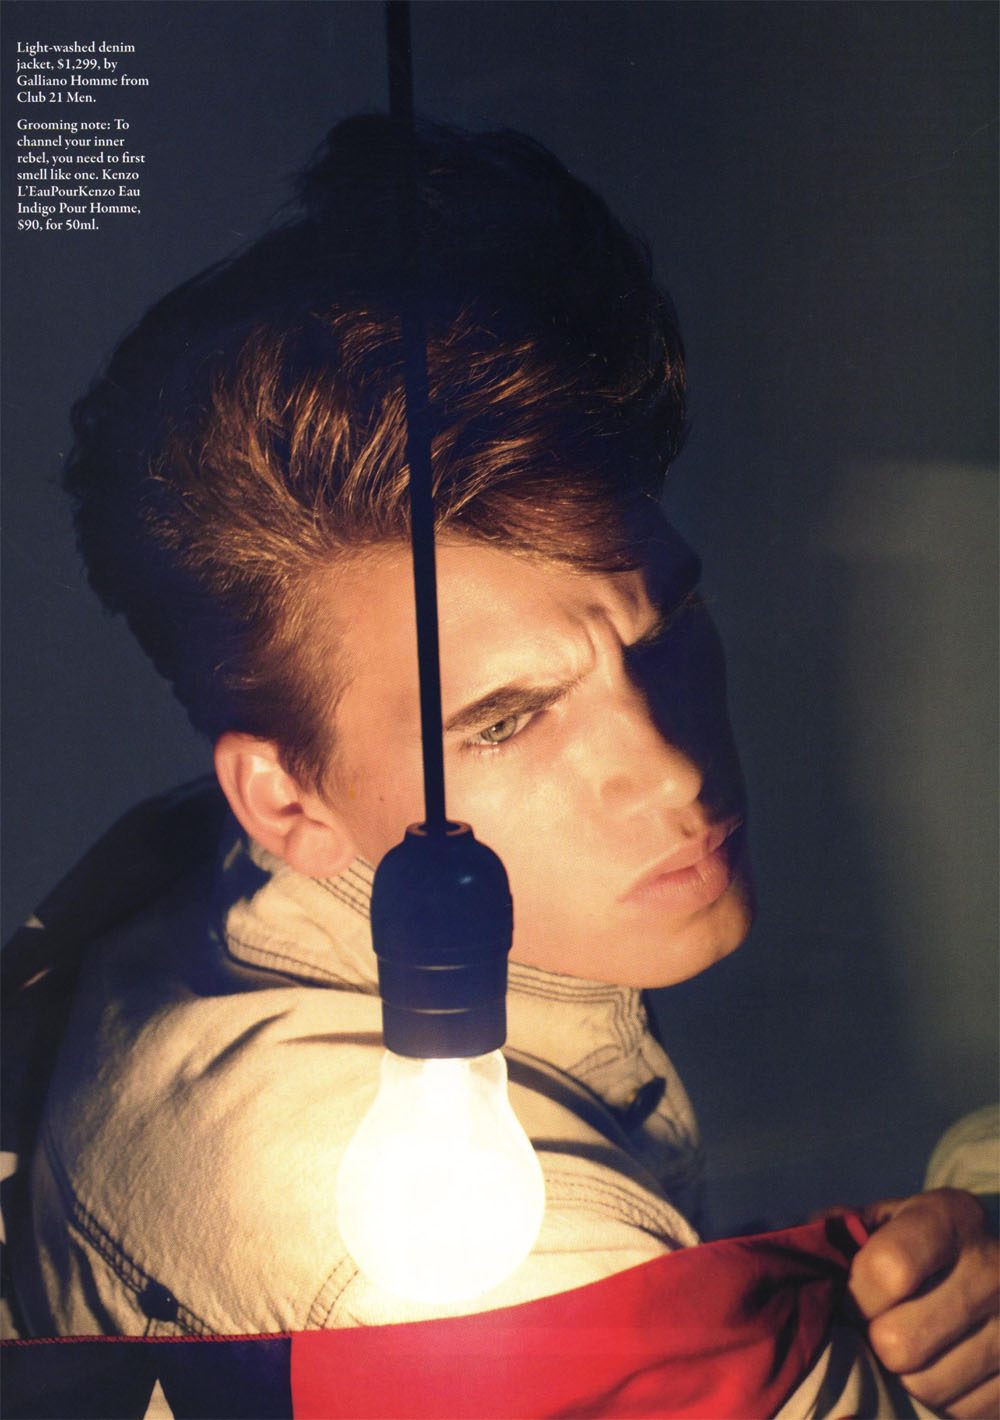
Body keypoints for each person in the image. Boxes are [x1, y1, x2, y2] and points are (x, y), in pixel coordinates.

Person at [7, 116, 997, 1417]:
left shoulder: (215, 868)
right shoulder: (490, 1275)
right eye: (507, 720)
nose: (671, 773)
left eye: (666, 630)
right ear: (284, 799)